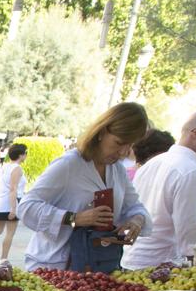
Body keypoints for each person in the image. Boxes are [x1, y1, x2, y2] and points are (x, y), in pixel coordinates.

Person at [19, 102, 151, 272]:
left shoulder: (117, 170)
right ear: (102, 132)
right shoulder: (69, 165)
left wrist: (137, 220)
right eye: (119, 142)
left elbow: (134, 206)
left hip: (97, 267)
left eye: (130, 146)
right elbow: (27, 207)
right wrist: (74, 218)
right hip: (54, 269)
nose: (123, 152)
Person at [123, 111, 196, 269]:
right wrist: (192, 260)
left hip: (132, 256)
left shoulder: (155, 162)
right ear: (195, 132)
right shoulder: (188, 170)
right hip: (158, 263)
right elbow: (187, 224)